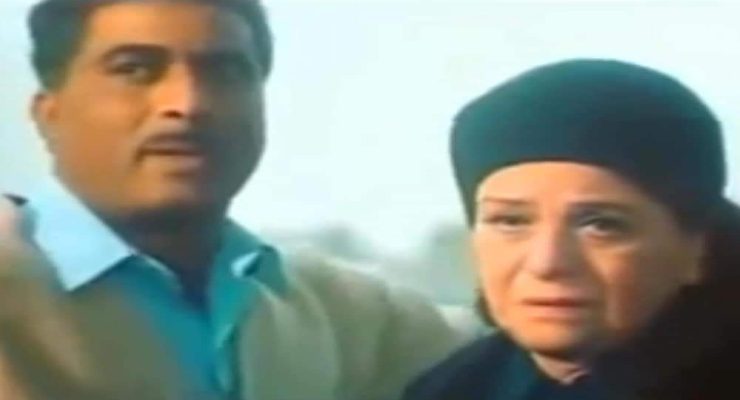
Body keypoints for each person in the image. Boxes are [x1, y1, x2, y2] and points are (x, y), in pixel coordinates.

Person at [0, 0, 474, 399]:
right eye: (135, 70)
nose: (189, 103)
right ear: (47, 112)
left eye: (225, 72)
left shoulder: (354, 320)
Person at [403, 59, 740, 400]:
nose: (547, 263)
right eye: (511, 221)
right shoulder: (454, 388)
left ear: (698, 250)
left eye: (601, 225)